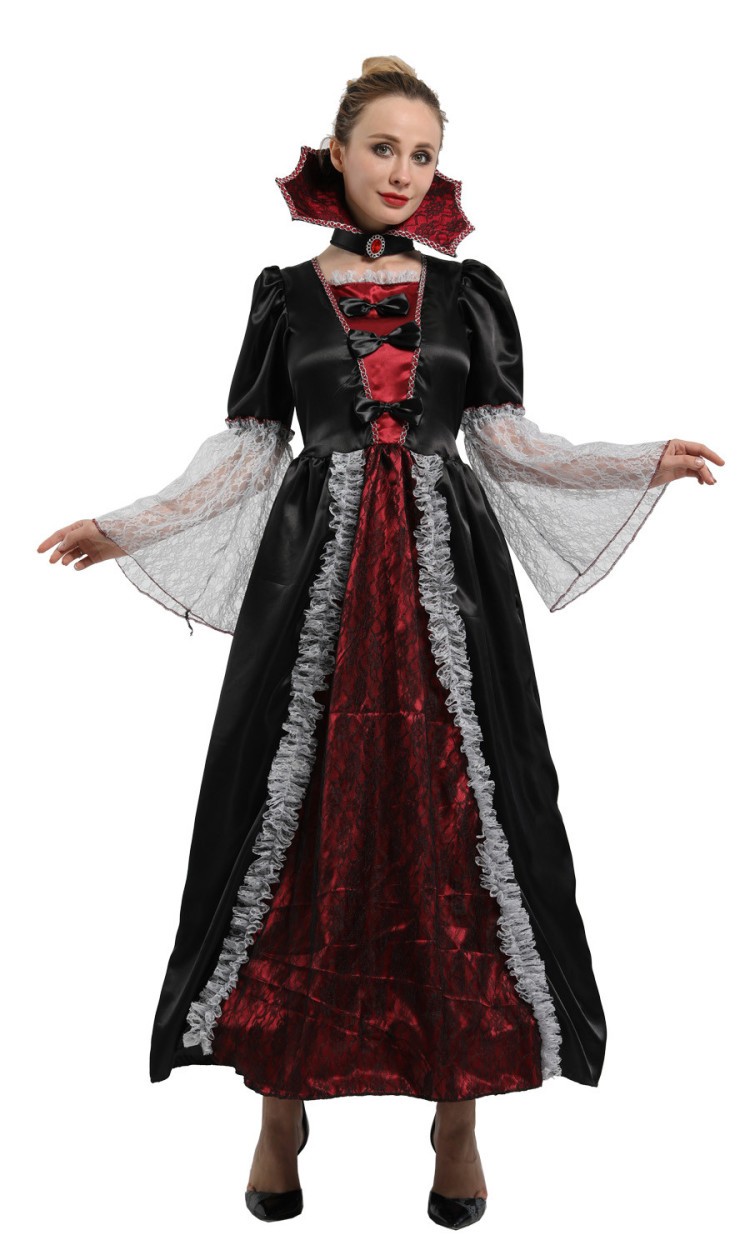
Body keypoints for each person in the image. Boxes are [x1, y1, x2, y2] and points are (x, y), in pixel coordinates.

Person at [37, 54, 724, 1231]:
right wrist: (126, 525)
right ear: (339, 154)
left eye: (423, 153)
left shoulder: (471, 293)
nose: (403, 171)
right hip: (315, 587)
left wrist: (636, 460)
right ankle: (279, 1100)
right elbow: (247, 451)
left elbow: (510, 444)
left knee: (455, 816)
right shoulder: (281, 294)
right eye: (384, 148)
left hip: (451, 595)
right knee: (302, 815)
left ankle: (460, 1110)